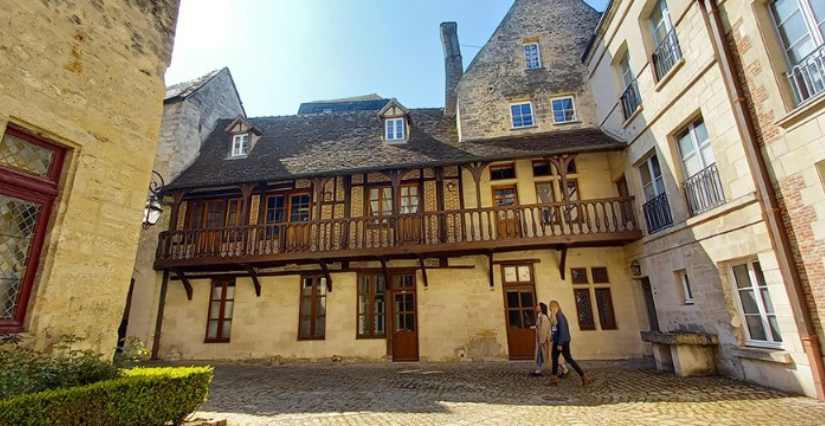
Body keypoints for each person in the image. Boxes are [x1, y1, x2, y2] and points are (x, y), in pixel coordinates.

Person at [547, 300, 591, 387]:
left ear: (554, 307)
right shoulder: (554, 316)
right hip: (557, 341)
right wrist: (552, 338)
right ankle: (553, 379)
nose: (549, 308)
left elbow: (563, 330)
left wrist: (560, 344)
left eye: (550, 306)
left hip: (563, 341)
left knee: (568, 359)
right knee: (554, 359)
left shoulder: (560, 315)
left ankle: (584, 376)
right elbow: (554, 329)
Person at [532, 303, 551, 376]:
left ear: (541, 308)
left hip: (544, 339)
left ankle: (564, 368)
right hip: (540, 339)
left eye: (538, 306)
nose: (536, 307)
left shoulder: (544, 317)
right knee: (539, 354)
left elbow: (544, 329)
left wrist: (542, 340)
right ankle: (538, 370)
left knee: (549, 354)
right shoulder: (539, 317)